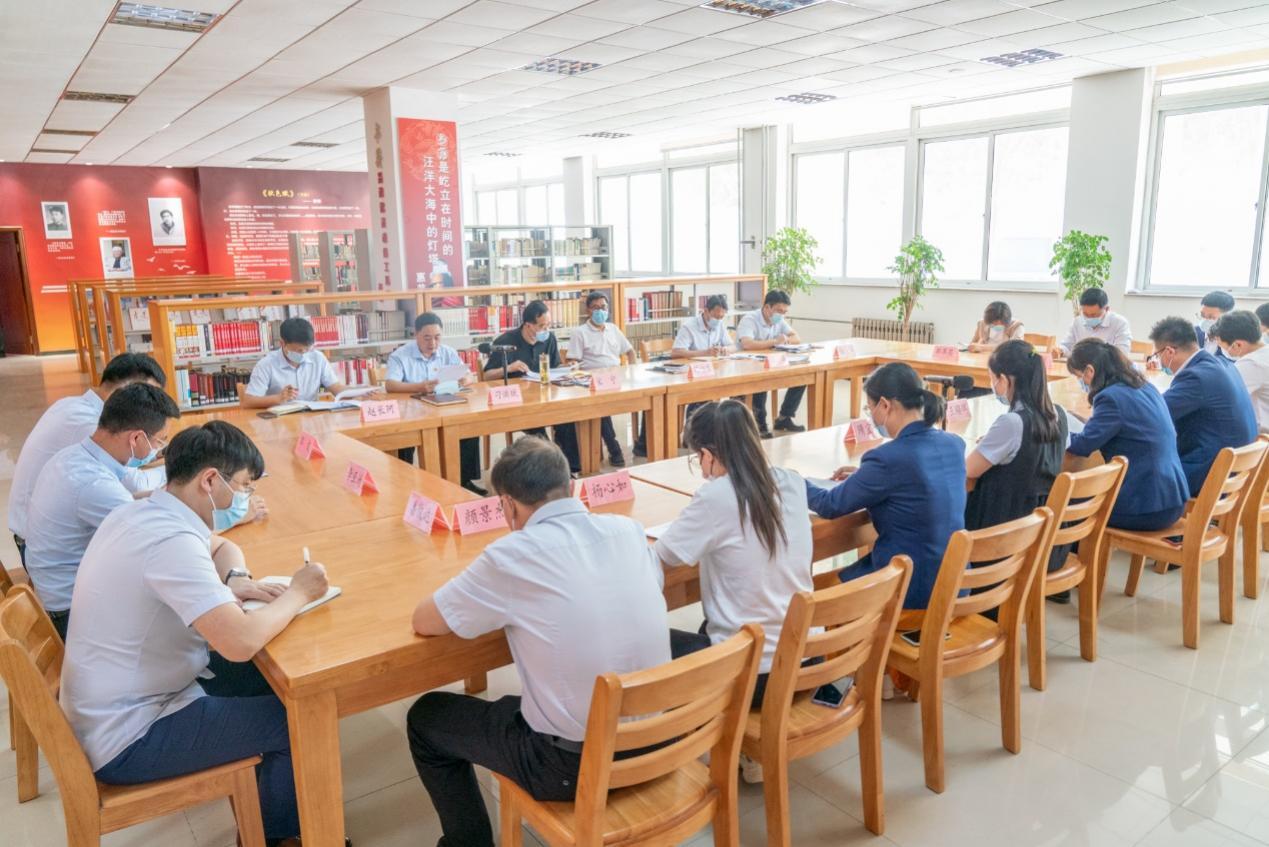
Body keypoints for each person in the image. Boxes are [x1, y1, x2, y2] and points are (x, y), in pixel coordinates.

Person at [60, 421, 330, 847]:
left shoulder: (145, 512)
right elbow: (239, 642)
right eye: (242, 487)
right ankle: (278, 838)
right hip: (130, 734)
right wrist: (299, 592)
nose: (244, 499)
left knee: (276, 683)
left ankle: (270, 810)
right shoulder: (170, 542)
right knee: (297, 721)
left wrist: (237, 578)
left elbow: (220, 547)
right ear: (210, 480)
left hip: (115, 702)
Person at [406, 436, 669, 847]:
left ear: (507, 505)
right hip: (661, 740)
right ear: (572, 485)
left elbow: (426, 622)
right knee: (522, 703)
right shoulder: (628, 530)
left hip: (572, 765)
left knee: (427, 717)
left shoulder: (512, 555)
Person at [23, 383, 181, 639]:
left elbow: (125, 505)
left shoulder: (73, 456)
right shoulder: (94, 484)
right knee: (183, 616)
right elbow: (157, 540)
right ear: (136, 438)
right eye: (159, 440)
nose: (158, 449)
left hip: (58, 591)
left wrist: (166, 497)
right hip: (74, 613)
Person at [806, 363, 966, 609]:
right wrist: (865, 476)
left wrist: (793, 481)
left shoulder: (887, 458)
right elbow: (913, 479)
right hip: (954, 581)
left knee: (811, 593)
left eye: (869, 408)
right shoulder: (953, 443)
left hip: (910, 587)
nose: (870, 416)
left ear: (885, 405)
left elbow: (830, 505)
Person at [8, 352, 167, 565]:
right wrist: (182, 469)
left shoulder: (70, 405)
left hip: (45, 535)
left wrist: (157, 452)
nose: (154, 409)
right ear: (124, 393)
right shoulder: (89, 425)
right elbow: (133, 484)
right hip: (45, 550)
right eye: (148, 397)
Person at [1066, 339, 1189, 530]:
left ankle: (1080, 549)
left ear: (1089, 371)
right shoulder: (1144, 387)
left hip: (1145, 507)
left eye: (1078, 376)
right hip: (1172, 498)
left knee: (1065, 502)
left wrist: (1058, 431)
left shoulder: (1110, 397)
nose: (1080, 382)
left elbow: (1082, 445)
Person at [964, 340, 1068, 531]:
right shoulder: (1060, 414)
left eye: (992, 378)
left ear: (1004, 380)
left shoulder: (1012, 423)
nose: (992, 384)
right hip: (1041, 530)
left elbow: (968, 470)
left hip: (1003, 531)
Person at [1150, 317, 1256, 495]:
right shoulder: (1223, 365)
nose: (1159, 362)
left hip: (1209, 475)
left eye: (1157, 356)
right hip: (1234, 472)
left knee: (1133, 480)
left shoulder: (1196, 377)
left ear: (1169, 351)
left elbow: (1153, 413)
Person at [384, 312, 483, 492]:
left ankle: (464, 481)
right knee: (403, 437)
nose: (433, 343)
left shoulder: (448, 352)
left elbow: (469, 375)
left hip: (444, 406)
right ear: (416, 334)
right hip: (412, 411)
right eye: (427, 338)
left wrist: (465, 380)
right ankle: (403, 487)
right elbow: (390, 385)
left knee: (467, 426)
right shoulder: (400, 355)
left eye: (437, 337)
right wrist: (419, 386)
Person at [483, 300, 581, 475]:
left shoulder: (549, 338)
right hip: (519, 402)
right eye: (542, 326)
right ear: (528, 325)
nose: (546, 330)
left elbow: (554, 366)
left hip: (545, 395)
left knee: (567, 417)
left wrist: (568, 367)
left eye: (548, 325)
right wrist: (509, 367)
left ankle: (570, 469)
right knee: (538, 429)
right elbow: (486, 375)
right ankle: (552, 470)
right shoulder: (506, 341)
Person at [566, 291, 634, 467]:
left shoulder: (613, 329)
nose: (600, 311)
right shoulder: (579, 332)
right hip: (592, 382)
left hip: (616, 379)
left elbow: (630, 351)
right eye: (595, 308)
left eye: (603, 307)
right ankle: (614, 448)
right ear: (588, 310)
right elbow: (572, 360)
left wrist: (633, 371)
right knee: (601, 406)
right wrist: (574, 366)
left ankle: (640, 445)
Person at [736, 290, 806, 437]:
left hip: (771, 363)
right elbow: (747, 344)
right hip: (747, 366)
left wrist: (785, 340)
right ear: (767, 307)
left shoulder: (779, 320)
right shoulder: (750, 319)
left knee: (802, 377)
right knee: (762, 381)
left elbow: (796, 338)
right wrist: (775, 342)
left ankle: (784, 417)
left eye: (785, 312)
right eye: (779, 311)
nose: (782, 315)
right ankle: (760, 425)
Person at [242, 317, 348, 409]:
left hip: (311, 417)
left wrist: (355, 393)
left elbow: (336, 387)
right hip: (280, 420)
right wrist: (278, 398)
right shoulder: (266, 364)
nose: (304, 354)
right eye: (299, 351)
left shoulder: (317, 358)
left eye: (307, 350)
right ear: (283, 344)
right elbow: (248, 402)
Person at [1214, 310, 1269, 432]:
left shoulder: (1252, 364)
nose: (1224, 351)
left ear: (1238, 345)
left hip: (1263, 437)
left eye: (1223, 347)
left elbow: (1221, 397)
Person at [1057, 288, 1132, 357]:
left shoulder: (1119, 323)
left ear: (1106, 309)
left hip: (1107, 367)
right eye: (1085, 314)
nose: (1089, 318)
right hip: (1081, 366)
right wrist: (1060, 350)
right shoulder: (1077, 322)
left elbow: (1122, 354)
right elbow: (1066, 346)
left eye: (1094, 315)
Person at [672, 293, 730, 359]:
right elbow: (676, 352)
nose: (718, 320)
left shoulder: (720, 324)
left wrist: (726, 349)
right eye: (715, 317)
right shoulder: (688, 327)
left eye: (721, 317)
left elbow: (733, 346)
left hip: (715, 363)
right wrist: (706, 353)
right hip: (693, 364)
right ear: (706, 311)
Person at [1196, 290, 1235, 360]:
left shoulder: (1235, 343)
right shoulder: (1191, 334)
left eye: (1211, 317)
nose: (1204, 320)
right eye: (1202, 315)